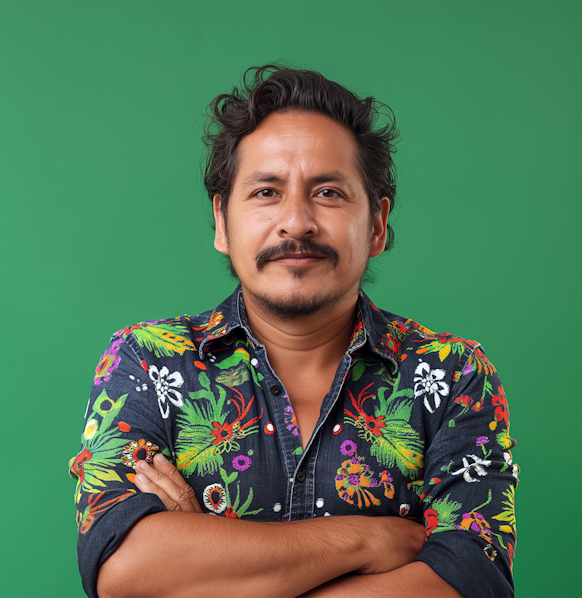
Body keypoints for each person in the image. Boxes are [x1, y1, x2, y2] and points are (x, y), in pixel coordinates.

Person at [70, 65, 518, 598]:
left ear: (376, 224)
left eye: (328, 192)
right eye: (265, 192)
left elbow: (470, 582)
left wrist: (207, 564)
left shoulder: (455, 374)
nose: (296, 222)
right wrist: (365, 540)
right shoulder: (145, 362)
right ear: (222, 221)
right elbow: (122, 571)